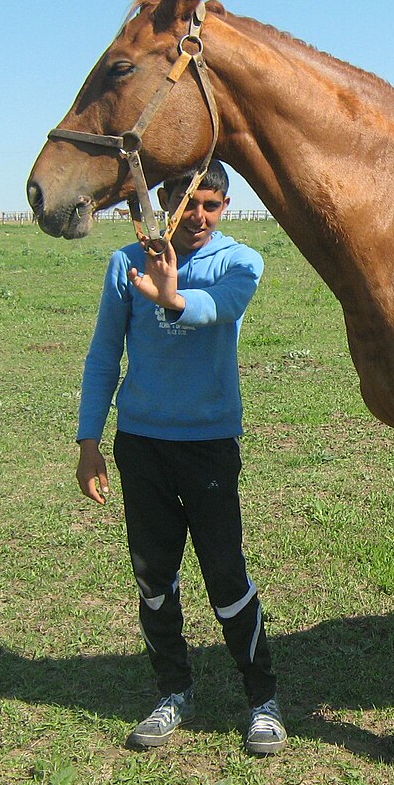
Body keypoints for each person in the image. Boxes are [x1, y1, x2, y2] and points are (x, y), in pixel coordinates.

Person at [75, 160, 285, 755]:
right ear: (163, 199)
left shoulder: (241, 261)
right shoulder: (126, 263)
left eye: (210, 205)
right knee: (153, 575)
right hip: (141, 443)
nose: (197, 216)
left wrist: (171, 297)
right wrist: (89, 441)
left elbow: (222, 309)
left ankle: (262, 700)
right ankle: (173, 692)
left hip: (208, 444)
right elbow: (102, 357)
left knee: (225, 573)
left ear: (224, 207)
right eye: (186, 201)